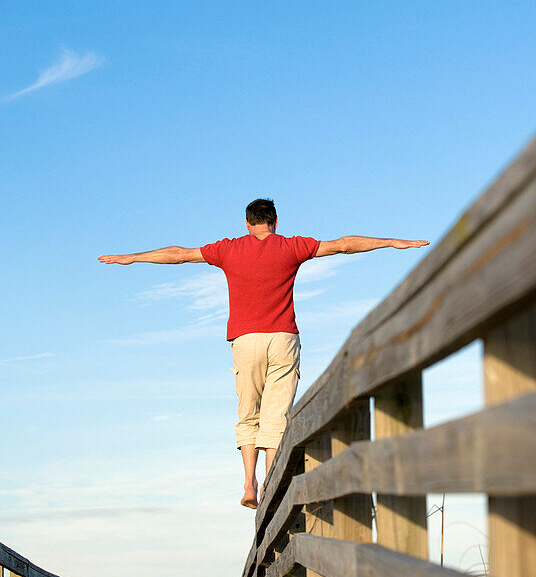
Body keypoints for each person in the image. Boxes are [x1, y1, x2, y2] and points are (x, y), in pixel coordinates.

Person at [99, 198, 429, 508]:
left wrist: (133, 257)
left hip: (245, 339)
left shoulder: (227, 249)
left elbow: (179, 254)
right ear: (275, 222)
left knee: (248, 412)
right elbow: (343, 245)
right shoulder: (292, 245)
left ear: (247, 224)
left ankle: (248, 484)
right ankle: (272, 485)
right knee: (277, 415)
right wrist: (390, 241)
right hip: (283, 337)